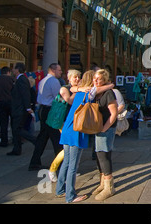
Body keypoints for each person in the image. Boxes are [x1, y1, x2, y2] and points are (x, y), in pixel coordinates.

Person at [55, 70, 93, 203]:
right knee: (73, 165)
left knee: (66, 161)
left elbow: (71, 90)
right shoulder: (88, 94)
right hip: (77, 130)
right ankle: (70, 196)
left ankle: (60, 190)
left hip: (67, 128)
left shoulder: (78, 93)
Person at [48, 69, 81, 182]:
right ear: (69, 78)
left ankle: (71, 170)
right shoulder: (64, 89)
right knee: (67, 146)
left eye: (78, 77)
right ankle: (53, 169)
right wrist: (77, 90)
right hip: (63, 121)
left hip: (73, 121)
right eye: (74, 77)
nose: (77, 79)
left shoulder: (76, 89)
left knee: (73, 146)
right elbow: (70, 101)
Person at [29, 63, 63, 171]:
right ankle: (61, 164)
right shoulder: (53, 81)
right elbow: (58, 97)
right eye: (59, 70)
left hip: (43, 109)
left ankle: (34, 162)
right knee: (56, 138)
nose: (61, 72)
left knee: (43, 137)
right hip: (50, 110)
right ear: (53, 70)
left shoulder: (43, 80)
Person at [92, 69, 118, 201]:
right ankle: (102, 182)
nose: (96, 81)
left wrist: (104, 128)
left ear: (105, 80)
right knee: (98, 155)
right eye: (94, 78)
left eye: (99, 79)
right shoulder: (96, 92)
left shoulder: (108, 93)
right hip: (97, 128)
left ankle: (109, 187)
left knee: (104, 155)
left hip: (106, 128)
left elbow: (114, 113)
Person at [7, 63, 37, 156]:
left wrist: (28, 107)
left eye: (14, 68)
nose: (12, 70)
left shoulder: (22, 80)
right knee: (16, 129)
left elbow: (25, 94)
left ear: (18, 69)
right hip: (17, 108)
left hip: (20, 109)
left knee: (17, 129)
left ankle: (35, 140)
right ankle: (17, 149)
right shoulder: (19, 79)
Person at [0, 66, 14, 147]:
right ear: (8, 72)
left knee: (3, 123)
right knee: (13, 122)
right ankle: (15, 140)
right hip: (11, 102)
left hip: (0, 102)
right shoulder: (12, 80)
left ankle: (4, 141)